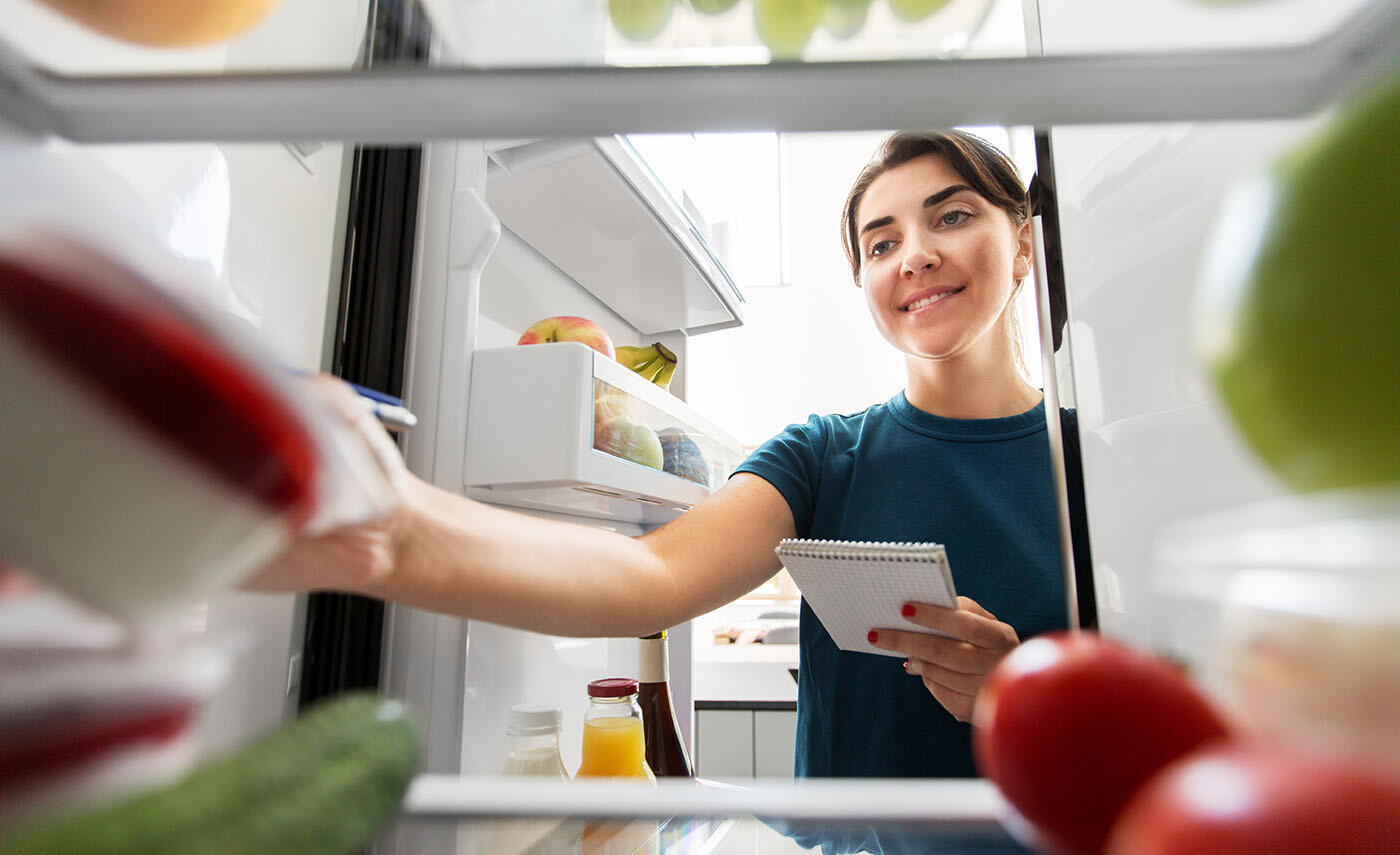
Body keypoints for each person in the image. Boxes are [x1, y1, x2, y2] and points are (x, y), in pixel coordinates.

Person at [252, 130, 1071, 854]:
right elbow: (650, 576)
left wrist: (1027, 694)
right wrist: (391, 526)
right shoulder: (824, 454)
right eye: (880, 241)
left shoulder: (1093, 464)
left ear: (1024, 243)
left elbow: (1173, 717)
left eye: (952, 217)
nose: (915, 255)